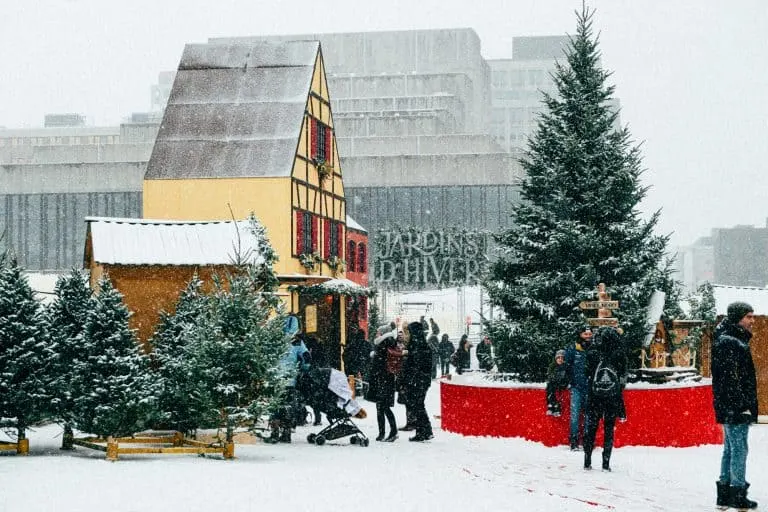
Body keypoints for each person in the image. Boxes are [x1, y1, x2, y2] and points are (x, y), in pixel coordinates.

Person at [712, 302, 758, 510]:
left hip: (728, 404)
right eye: (748, 316)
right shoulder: (731, 342)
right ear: (738, 318)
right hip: (734, 406)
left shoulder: (728, 339)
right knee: (739, 449)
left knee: (730, 449)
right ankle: (737, 493)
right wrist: (742, 405)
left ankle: (724, 494)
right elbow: (731, 379)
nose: (752, 320)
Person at [582, 326, 627, 471]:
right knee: (609, 430)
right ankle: (606, 463)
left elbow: (586, 372)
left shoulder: (592, 352)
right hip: (612, 398)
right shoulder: (619, 353)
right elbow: (623, 375)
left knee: (591, 427)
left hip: (595, 396)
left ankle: (587, 460)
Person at [366, 327, 403, 442]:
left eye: (378, 332)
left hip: (382, 379)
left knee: (382, 407)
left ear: (382, 333)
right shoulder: (389, 343)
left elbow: (379, 364)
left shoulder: (383, 344)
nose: (376, 334)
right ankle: (385, 432)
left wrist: (374, 357)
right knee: (382, 407)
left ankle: (390, 432)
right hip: (387, 379)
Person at [400, 321, 434, 442]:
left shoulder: (417, 346)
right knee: (419, 405)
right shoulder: (423, 345)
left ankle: (424, 431)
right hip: (421, 381)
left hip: (417, 381)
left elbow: (416, 364)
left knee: (417, 405)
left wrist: (407, 356)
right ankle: (425, 430)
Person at [565, 326, 592, 450]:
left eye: (589, 334)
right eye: (585, 334)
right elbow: (567, 365)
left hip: (590, 388)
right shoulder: (572, 348)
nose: (587, 336)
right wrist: (570, 381)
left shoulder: (594, 348)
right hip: (576, 387)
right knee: (575, 416)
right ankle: (574, 441)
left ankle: (587, 441)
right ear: (580, 335)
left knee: (588, 416)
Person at [545, 349, 568, 416]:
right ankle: (551, 405)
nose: (560, 359)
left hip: (561, 384)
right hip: (553, 383)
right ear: (556, 358)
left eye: (562, 358)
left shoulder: (565, 367)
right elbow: (550, 375)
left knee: (557, 393)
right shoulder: (552, 366)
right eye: (558, 357)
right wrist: (553, 378)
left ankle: (557, 407)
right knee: (550, 387)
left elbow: (567, 377)